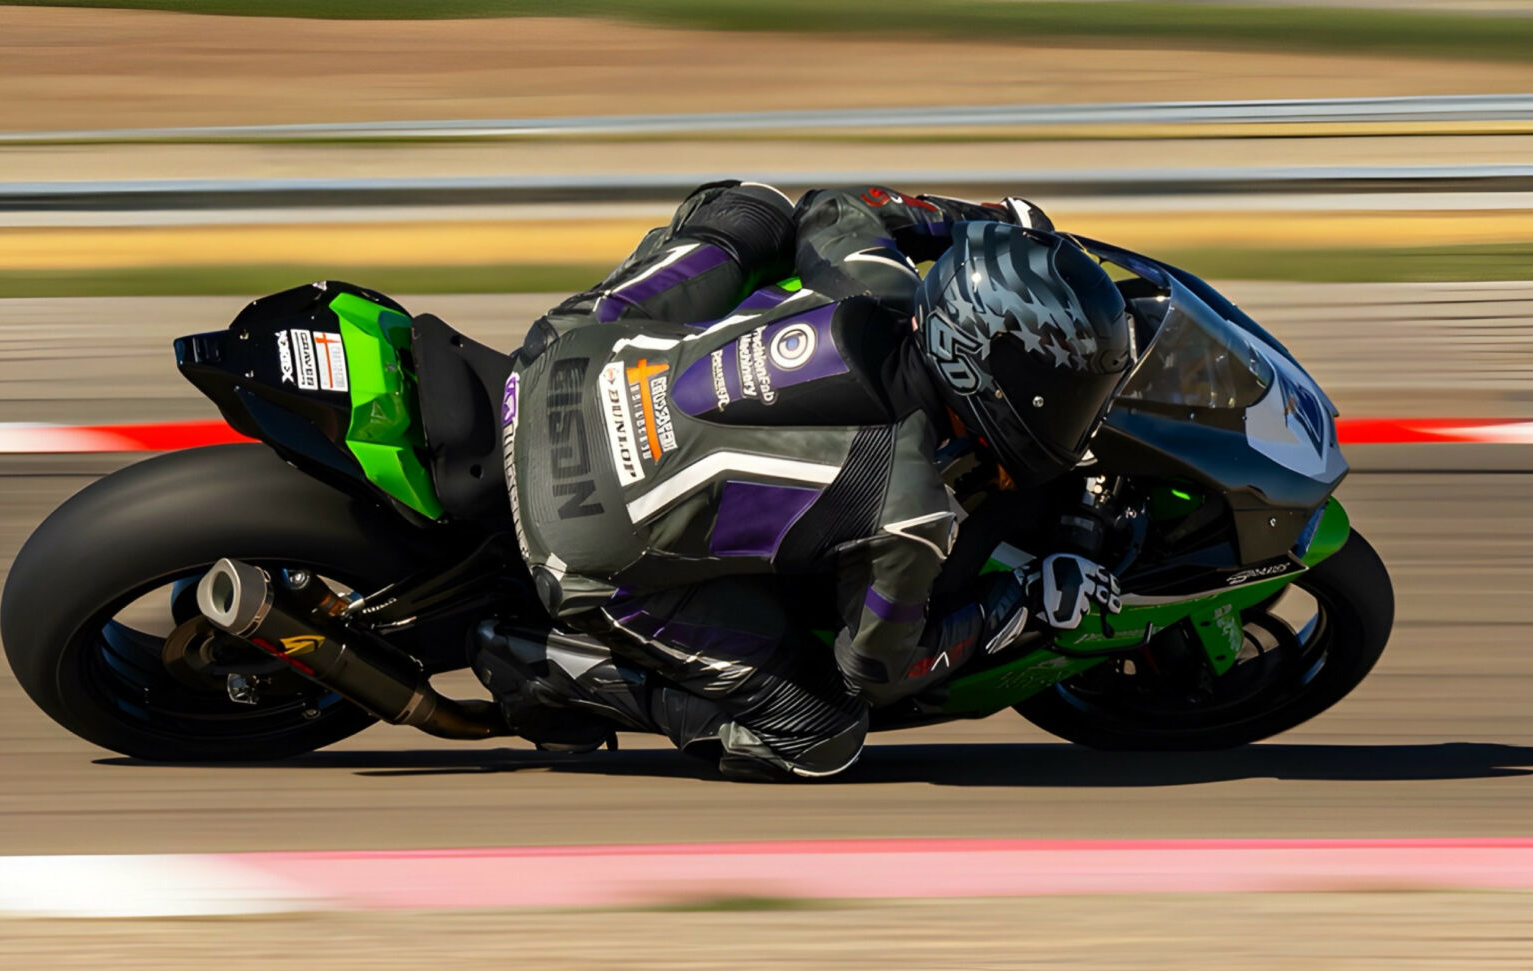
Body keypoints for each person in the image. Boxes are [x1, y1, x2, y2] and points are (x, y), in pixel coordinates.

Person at [470, 180, 1134, 781]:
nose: (1078, 409)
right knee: (822, 731)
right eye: (1067, 393)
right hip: (577, 547)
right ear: (984, 377)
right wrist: (1021, 600)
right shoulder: (912, 512)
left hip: (555, 362)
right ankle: (555, 670)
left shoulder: (869, 281)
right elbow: (879, 669)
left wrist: (976, 221)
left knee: (755, 208)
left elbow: (838, 204)